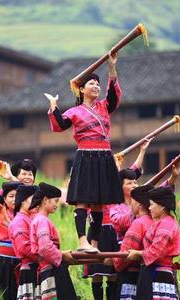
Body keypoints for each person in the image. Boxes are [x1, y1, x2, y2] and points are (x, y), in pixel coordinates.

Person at [45, 51, 122, 253]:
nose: (96, 87)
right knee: (83, 200)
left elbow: (113, 96)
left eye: (98, 84)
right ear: (81, 90)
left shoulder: (105, 107)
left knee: (98, 204)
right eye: (91, 84)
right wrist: (53, 106)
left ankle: (94, 244)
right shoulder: (74, 112)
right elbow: (59, 125)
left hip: (104, 156)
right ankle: (82, 242)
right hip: (86, 156)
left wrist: (112, 68)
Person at [87, 139, 151, 300]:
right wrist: (114, 166)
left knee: (113, 272)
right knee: (98, 271)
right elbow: (114, 180)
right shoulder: (98, 184)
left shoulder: (126, 193)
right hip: (99, 230)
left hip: (114, 233)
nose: (133, 184)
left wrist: (142, 151)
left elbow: (132, 172)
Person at [126, 186, 180, 300]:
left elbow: (156, 251)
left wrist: (138, 254)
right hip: (152, 272)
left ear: (162, 207)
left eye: (151, 204)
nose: (149, 208)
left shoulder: (167, 224)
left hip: (158, 275)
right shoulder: (160, 222)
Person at [29, 182, 77, 300]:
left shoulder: (37, 219)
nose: (57, 204)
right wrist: (62, 256)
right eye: (55, 201)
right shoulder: (42, 220)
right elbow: (45, 248)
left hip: (46, 269)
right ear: (45, 200)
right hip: (52, 271)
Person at [109, 184, 154, 300]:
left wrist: (113, 261)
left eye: (132, 202)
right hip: (150, 275)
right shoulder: (154, 222)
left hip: (131, 276)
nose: (131, 205)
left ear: (139, 205)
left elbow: (123, 258)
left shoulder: (138, 223)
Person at [8, 184, 39, 300]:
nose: (37, 202)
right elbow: (24, 248)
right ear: (23, 202)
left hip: (36, 267)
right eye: (34, 199)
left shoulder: (30, 218)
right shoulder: (19, 221)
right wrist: (47, 258)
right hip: (30, 270)